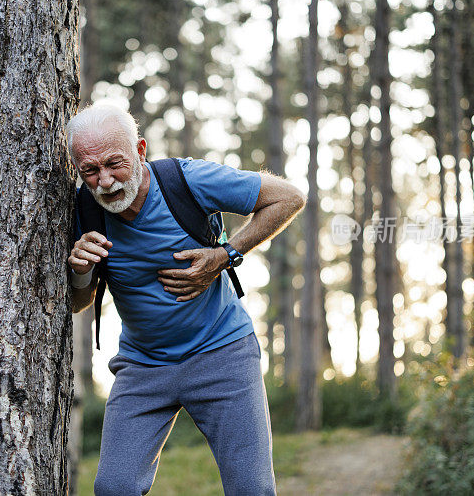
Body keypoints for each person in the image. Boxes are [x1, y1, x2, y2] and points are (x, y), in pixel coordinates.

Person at [66, 104, 306, 495]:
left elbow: (289, 198)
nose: (105, 181)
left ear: (140, 150)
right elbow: (80, 303)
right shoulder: (84, 209)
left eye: (115, 164)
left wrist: (225, 254)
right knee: (114, 488)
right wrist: (79, 270)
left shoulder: (187, 180)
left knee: (252, 490)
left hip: (222, 354)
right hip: (143, 366)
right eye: (90, 171)